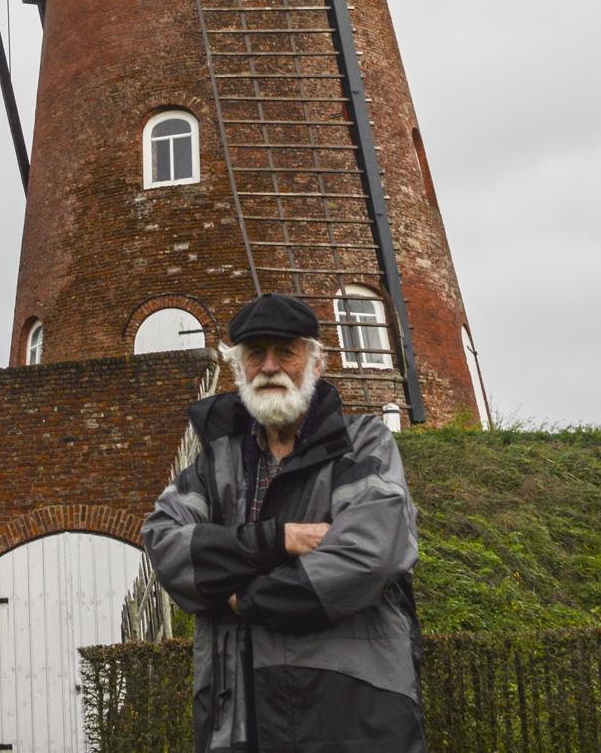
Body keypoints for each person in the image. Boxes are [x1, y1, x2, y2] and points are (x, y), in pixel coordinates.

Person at [140, 292, 424, 752]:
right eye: (256, 354)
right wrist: (277, 539)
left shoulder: (364, 445)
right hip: (236, 721)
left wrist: (242, 598)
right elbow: (165, 545)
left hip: (353, 718)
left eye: (286, 351)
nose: (269, 366)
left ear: (316, 363)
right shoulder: (216, 464)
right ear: (238, 368)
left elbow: (367, 556)